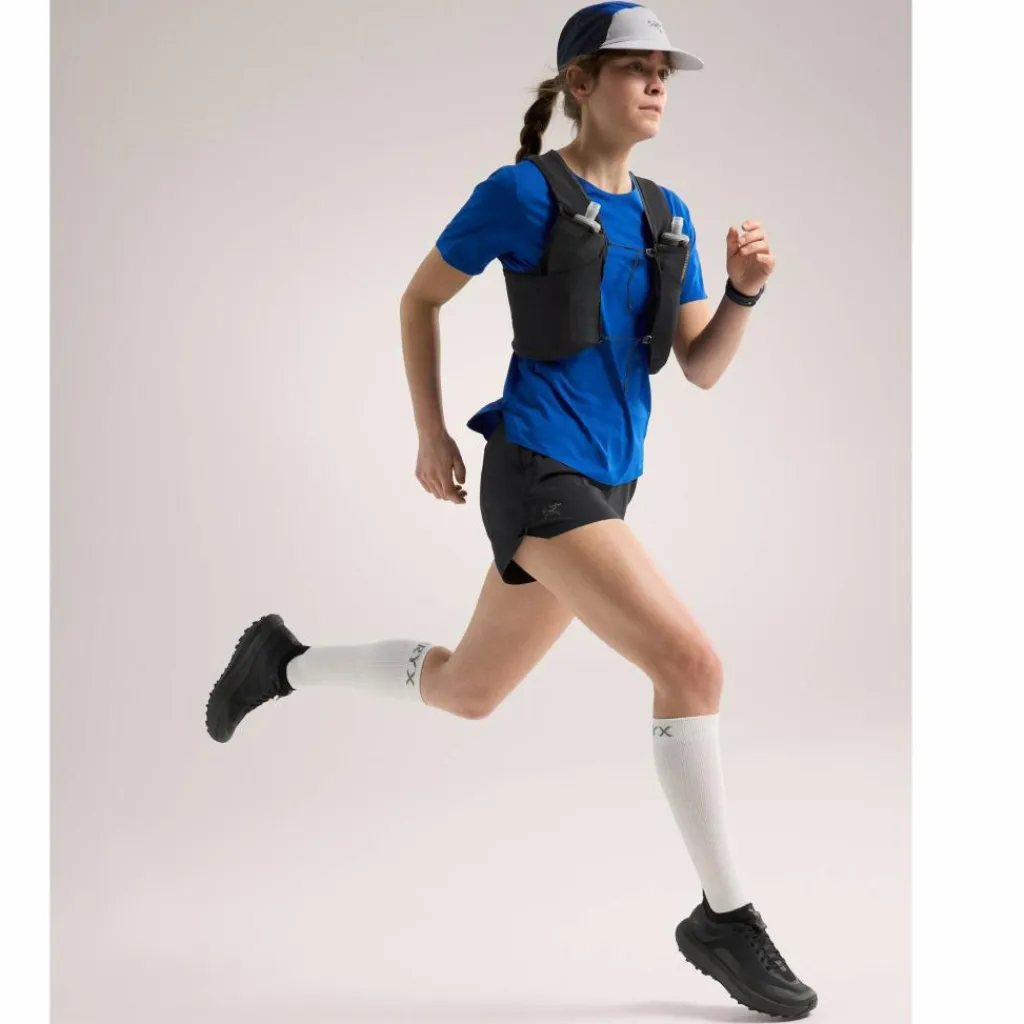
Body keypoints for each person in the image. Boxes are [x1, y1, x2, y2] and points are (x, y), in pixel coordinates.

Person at [205, 3, 817, 1018]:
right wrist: (431, 432)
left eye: (663, 70)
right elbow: (419, 298)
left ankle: (283, 661)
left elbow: (701, 367)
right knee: (692, 666)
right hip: (538, 471)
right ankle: (724, 915)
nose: (655, 84)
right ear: (579, 81)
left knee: (466, 689)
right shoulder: (521, 193)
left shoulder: (666, 213)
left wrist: (745, 294)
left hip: (607, 484)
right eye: (634, 67)